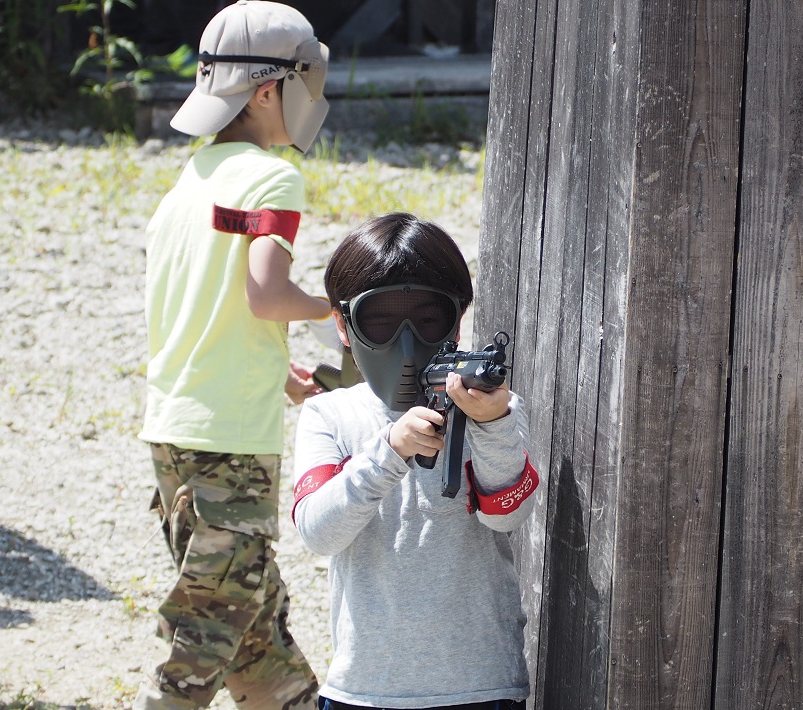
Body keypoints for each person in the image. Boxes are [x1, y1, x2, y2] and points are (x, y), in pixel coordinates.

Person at [134, 2, 333, 708]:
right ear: (268, 89)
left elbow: (201, 308)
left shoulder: (189, 186)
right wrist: (334, 309)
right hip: (230, 444)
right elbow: (265, 295)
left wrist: (279, 374)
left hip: (174, 430)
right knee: (209, 635)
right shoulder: (273, 179)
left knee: (252, 628)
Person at [292, 212, 541, 710]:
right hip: (364, 689)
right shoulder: (330, 413)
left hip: (480, 685)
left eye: (427, 320)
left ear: (456, 319)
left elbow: (507, 515)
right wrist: (389, 452)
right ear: (343, 325)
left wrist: (491, 423)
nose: (406, 343)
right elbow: (318, 532)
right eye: (380, 321)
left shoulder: (492, 408)